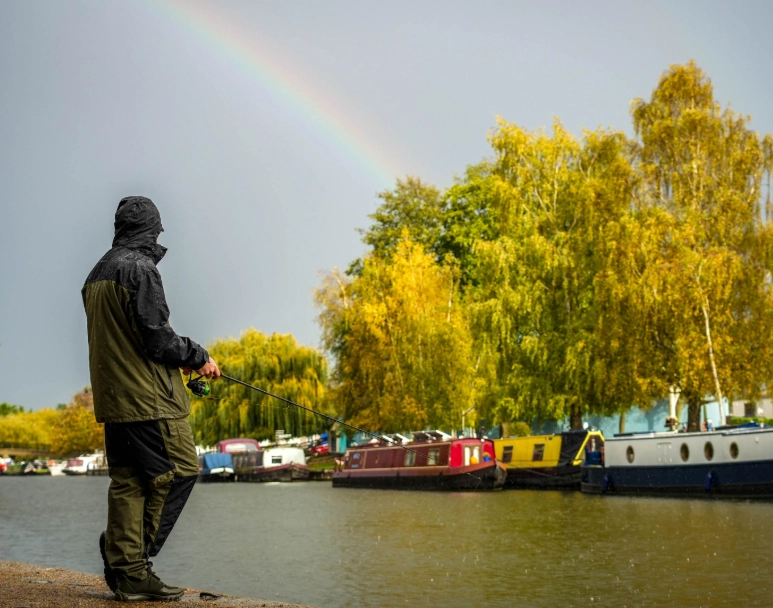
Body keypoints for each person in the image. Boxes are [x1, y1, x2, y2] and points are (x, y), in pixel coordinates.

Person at [82, 196, 220, 602]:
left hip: (113, 400)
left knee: (128, 481)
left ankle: (126, 569)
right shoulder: (140, 269)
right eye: (158, 230)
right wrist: (198, 356)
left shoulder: (96, 272)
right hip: (150, 400)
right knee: (177, 471)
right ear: (151, 230)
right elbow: (157, 338)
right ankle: (128, 562)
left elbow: (127, 338)